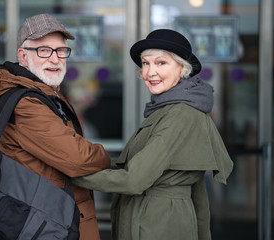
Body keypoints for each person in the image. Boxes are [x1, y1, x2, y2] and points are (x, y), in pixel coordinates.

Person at [73, 29, 234, 240]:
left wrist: (72, 176)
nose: (150, 72)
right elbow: (198, 191)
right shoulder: (172, 108)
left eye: (161, 63)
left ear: (182, 68)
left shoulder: (180, 114)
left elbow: (133, 180)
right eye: (146, 63)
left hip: (156, 225)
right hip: (160, 221)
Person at [0, 14, 111, 240]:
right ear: (23, 56)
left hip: (53, 222)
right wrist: (103, 155)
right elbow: (78, 159)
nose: (55, 59)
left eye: (61, 51)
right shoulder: (25, 104)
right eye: (44, 50)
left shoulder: (46, 95)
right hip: (45, 227)